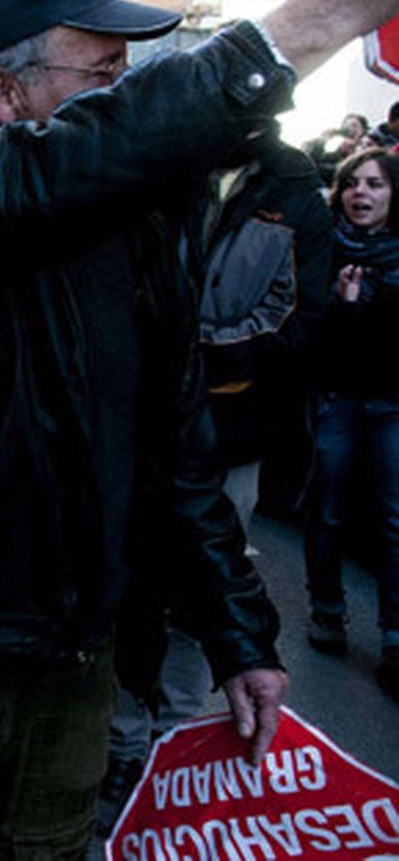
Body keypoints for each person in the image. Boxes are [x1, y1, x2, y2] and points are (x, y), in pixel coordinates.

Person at [0, 0, 399, 857]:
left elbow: (172, 448)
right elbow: (30, 181)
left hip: (76, 658)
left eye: (132, 78)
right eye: (105, 75)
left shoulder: (137, 220)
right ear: (4, 92)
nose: (127, 99)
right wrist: (302, 25)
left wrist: (238, 633)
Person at [99, 118, 331, 826]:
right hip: (138, 423)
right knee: (129, 584)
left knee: (203, 584)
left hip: (230, 428)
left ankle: (173, 741)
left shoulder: (295, 191)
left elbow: (293, 317)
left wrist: (188, 358)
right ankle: (124, 745)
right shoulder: (162, 171)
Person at [302, 148, 399, 700]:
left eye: (375, 185)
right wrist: (342, 308)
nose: (361, 194)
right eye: (352, 184)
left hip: (391, 403)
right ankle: (327, 610)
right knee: (328, 506)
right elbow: (313, 337)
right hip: (337, 398)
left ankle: (394, 634)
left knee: (393, 518)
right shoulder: (326, 249)